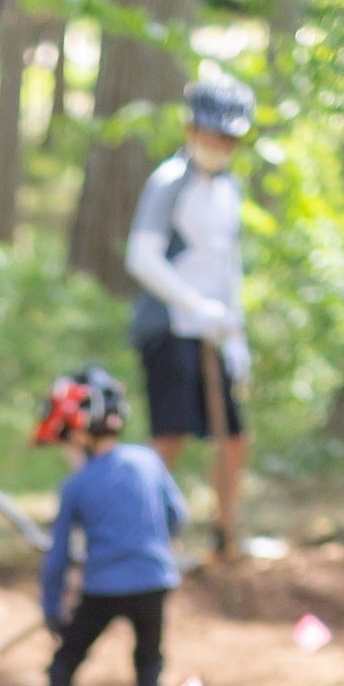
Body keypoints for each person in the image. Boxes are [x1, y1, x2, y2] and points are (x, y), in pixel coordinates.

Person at [125, 68, 256, 561]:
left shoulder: (228, 189)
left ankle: (226, 531)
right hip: (169, 328)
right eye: (210, 133)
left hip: (213, 331)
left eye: (227, 136)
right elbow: (142, 258)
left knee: (235, 437)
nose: (217, 143)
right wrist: (191, 304)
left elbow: (227, 264)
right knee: (169, 436)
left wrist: (234, 331)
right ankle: (146, 536)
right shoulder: (168, 183)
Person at [28, 365, 185, 686]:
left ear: (79, 434)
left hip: (103, 588)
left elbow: (59, 554)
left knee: (66, 661)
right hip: (154, 581)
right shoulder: (149, 460)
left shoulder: (77, 484)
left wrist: (51, 606)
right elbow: (176, 515)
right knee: (149, 660)